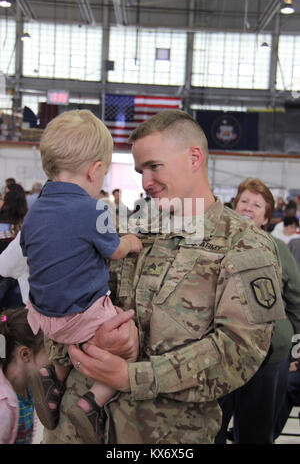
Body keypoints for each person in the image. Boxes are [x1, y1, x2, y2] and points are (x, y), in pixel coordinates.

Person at [42, 109, 285, 445]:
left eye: (154, 166)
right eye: (141, 170)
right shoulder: (122, 227)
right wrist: (87, 343)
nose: (145, 181)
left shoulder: (243, 243)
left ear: (194, 158)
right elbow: (55, 296)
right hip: (71, 429)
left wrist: (133, 377)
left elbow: (240, 352)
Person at [19, 109, 142, 443]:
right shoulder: (95, 209)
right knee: (126, 337)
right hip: (79, 317)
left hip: (42, 315)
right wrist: (130, 242)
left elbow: (30, 250)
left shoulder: (35, 212)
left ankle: (52, 374)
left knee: (73, 326)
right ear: (94, 170)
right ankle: (92, 401)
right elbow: (113, 249)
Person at [215, 178, 300, 444]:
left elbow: (296, 299)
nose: (249, 208)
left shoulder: (279, 249)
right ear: (234, 206)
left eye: (257, 204)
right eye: (244, 201)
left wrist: (290, 341)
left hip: (269, 357)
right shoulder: (215, 245)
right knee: (211, 429)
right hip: (218, 353)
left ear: (266, 217)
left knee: (256, 434)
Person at [0, 307, 50, 444]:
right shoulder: (3, 408)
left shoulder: (27, 387)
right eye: (49, 349)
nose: (54, 356)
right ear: (25, 354)